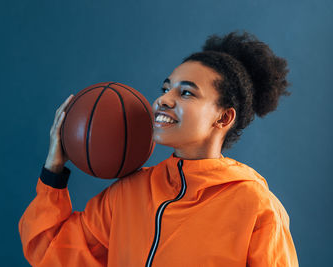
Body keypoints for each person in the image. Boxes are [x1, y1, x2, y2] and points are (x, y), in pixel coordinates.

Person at [18, 31, 299, 266]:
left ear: (223, 118)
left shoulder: (255, 206)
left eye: (186, 92)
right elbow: (51, 254)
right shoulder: (128, 193)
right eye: (166, 88)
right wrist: (53, 171)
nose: (163, 99)